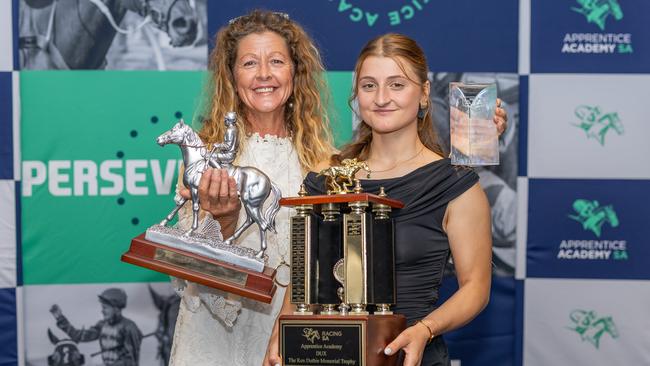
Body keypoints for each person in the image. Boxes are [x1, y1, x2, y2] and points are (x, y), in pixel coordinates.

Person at [264, 33, 493, 366]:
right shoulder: (327, 179)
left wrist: (425, 329)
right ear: (357, 94)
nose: (382, 98)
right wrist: (280, 334)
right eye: (369, 86)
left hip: (409, 357)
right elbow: (303, 279)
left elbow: (476, 288)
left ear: (424, 93)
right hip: (325, 357)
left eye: (397, 85)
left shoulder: (454, 184)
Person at [167, 10, 335, 366]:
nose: (264, 75)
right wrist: (223, 222)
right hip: (214, 341)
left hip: (296, 337)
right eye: (248, 63)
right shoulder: (207, 159)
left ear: (295, 71)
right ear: (231, 76)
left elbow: (334, 264)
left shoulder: (326, 163)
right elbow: (191, 267)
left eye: (276, 61)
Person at [50, 288, 143, 366]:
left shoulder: (129, 327)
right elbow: (80, 336)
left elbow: (132, 360)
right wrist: (60, 318)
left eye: (105, 308)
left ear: (116, 308)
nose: (102, 311)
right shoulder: (102, 325)